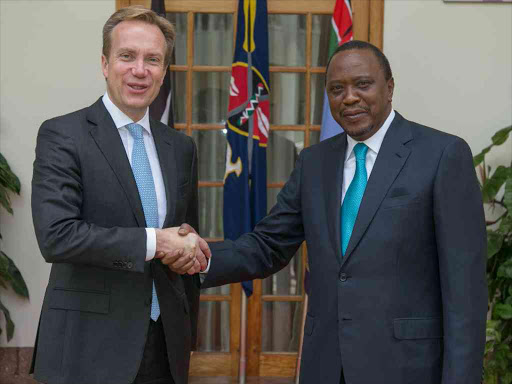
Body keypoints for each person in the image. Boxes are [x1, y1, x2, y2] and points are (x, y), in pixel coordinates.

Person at [179, 40, 488, 384]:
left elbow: (466, 293)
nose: (349, 97)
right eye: (337, 89)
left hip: (407, 368)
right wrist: (200, 257)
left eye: (363, 84)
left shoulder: (442, 155)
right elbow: (268, 245)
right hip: (326, 366)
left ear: (389, 88)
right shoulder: (314, 162)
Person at [30, 6, 209, 384]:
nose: (140, 70)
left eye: (153, 60)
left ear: (163, 71)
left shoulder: (181, 147)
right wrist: (155, 241)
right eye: (127, 56)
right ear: (105, 63)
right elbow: (57, 237)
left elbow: (181, 230)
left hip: (166, 348)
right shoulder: (63, 135)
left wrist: (187, 251)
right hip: (89, 350)